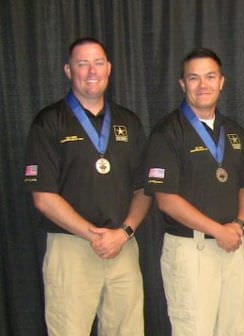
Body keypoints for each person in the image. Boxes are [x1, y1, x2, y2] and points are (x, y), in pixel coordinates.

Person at [23, 37, 151, 335]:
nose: (91, 71)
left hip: (123, 246)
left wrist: (124, 232)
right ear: (69, 70)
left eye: (98, 63)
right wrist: (94, 235)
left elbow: (144, 189)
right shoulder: (49, 122)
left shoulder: (128, 122)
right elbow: (42, 196)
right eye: (82, 64)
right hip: (71, 248)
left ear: (109, 68)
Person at [144, 48, 244, 336]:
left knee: (236, 329)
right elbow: (166, 199)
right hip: (191, 251)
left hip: (233, 246)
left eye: (210, 77)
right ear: (182, 84)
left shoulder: (233, 131)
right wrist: (219, 230)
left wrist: (239, 224)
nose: (203, 85)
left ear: (222, 82)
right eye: (194, 78)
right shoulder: (167, 132)